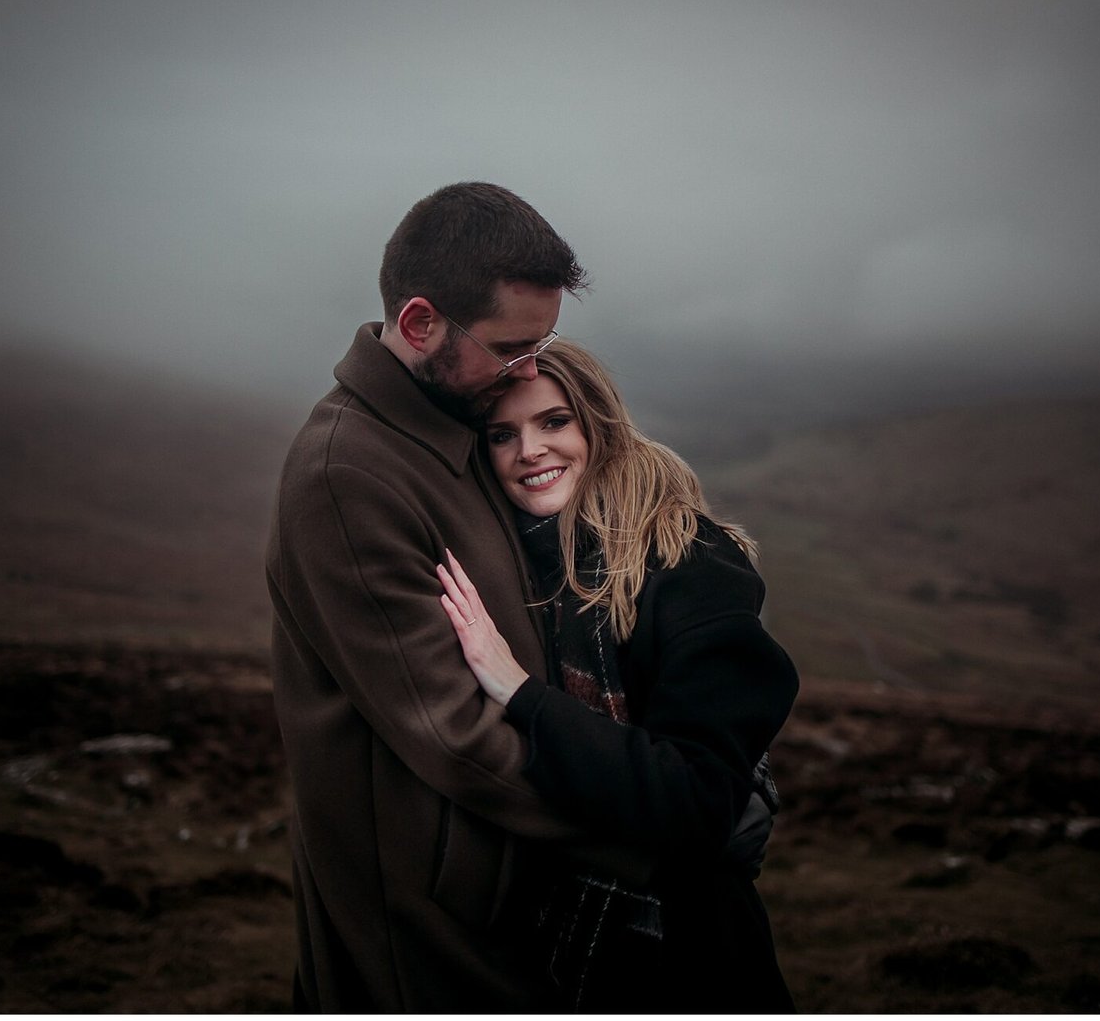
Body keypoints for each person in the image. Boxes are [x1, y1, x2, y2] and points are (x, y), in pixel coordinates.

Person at [265, 183, 650, 1012]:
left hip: (511, 896)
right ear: (418, 325)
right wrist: (647, 821)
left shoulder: (459, 421)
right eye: (511, 348)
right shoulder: (347, 475)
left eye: (544, 345)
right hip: (424, 930)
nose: (532, 371)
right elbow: (456, 737)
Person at [436, 339, 800, 1012]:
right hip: (559, 942)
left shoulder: (690, 563)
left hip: (687, 951)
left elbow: (694, 800)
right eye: (502, 434)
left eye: (553, 421)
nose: (529, 450)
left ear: (596, 422)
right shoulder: (528, 567)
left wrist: (518, 691)